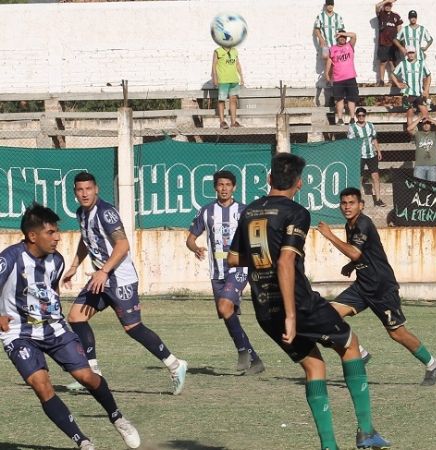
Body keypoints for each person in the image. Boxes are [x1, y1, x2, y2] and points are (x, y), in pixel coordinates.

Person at [227, 154, 391, 450]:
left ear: (269, 179)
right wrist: (292, 313)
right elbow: (286, 262)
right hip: (299, 305)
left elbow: (233, 257)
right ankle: (366, 432)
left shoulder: (249, 211)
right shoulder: (296, 212)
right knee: (350, 345)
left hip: (265, 309)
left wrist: (263, 256)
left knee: (314, 367)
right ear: (299, 183)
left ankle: (329, 446)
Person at [1, 204, 140, 450]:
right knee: (41, 385)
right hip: (18, 333)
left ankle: (117, 417)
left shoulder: (57, 261)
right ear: (33, 236)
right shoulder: (9, 259)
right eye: (51, 232)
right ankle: (83, 442)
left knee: (86, 377)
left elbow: (50, 289)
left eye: (57, 232)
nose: (57, 237)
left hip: (54, 329)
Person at [63, 172, 188, 395]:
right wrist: (73, 266)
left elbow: (122, 245)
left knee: (133, 328)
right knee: (76, 317)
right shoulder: (81, 213)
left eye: (88, 189)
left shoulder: (106, 212)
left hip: (120, 280)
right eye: (80, 190)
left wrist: (103, 271)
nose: (84, 193)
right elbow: (86, 239)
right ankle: (93, 373)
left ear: (96, 189)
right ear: (75, 192)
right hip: (102, 279)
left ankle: (175, 364)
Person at [318, 187, 436, 385]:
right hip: (363, 286)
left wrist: (329, 235)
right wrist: (352, 266)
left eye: (351, 203)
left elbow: (355, 253)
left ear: (361, 205)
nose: (347, 207)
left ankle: (432, 363)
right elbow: (363, 253)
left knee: (397, 333)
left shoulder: (363, 224)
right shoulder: (350, 225)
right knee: (327, 314)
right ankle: (360, 353)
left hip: (382, 288)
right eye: (344, 203)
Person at [185, 170, 264, 374]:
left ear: (234, 187)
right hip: (216, 271)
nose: (224, 188)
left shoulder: (244, 211)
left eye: (228, 185)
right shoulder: (206, 212)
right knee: (226, 312)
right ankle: (255, 360)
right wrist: (196, 249)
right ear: (215, 187)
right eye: (220, 185)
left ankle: (241, 352)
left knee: (225, 306)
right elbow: (190, 239)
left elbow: (257, 238)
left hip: (239, 267)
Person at [347, 107, 386, 207]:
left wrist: (379, 151)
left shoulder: (370, 125)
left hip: (371, 154)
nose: (361, 117)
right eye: (359, 115)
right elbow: (350, 143)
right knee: (359, 178)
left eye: (363, 115)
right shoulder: (352, 127)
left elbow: (374, 139)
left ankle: (378, 199)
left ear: (365, 116)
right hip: (359, 156)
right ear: (356, 116)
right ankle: (357, 200)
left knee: (375, 177)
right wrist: (352, 156)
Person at [391, 46, 431, 126]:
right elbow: (393, 74)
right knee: (410, 115)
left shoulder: (421, 63)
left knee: (426, 115)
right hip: (408, 93)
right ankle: (412, 134)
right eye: (409, 53)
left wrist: (426, 90)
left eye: (412, 52)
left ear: (415, 53)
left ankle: (426, 134)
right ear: (407, 54)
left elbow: (428, 76)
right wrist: (398, 84)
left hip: (419, 93)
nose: (411, 55)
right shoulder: (403, 64)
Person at [325, 30, 359, 125]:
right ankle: (340, 119)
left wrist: (342, 34)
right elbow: (329, 61)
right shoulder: (332, 49)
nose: (342, 38)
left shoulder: (349, 46)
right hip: (338, 79)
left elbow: (354, 35)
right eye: (340, 37)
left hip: (350, 77)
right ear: (337, 38)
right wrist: (327, 74)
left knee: (351, 98)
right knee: (339, 99)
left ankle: (352, 118)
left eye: (344, 37)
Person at [211, 43, 244, 129]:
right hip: (223, 80)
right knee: (222, 100)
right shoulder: (218, 51)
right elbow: (214, 66)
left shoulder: (234, 51)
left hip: (234, 80)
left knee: (233, 100)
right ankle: (222, 122)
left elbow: (237, 64)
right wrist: (214, 78)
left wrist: (241, 77)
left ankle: (233, 122)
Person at [407, 116, 436, 181]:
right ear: (421, 125)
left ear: (430, 125)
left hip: (432, 165)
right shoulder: (417, 134)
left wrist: (431, 119)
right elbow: (409, 129)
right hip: (419, 165)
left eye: (428, 123)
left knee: (431, 186)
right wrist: (419, 119)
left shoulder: (434, 134)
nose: (426, 125)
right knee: (419, 185)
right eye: (424, 124)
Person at [375, 0, 403, 86]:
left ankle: (393, 80)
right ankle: (381, 80)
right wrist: (387, 0)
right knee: (383, 62)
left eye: (389, 5)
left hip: (393, 43)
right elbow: (377, 6)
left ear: (391, 6)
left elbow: (399, 27)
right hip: (383, 42)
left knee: (392, 62)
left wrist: (397, 39)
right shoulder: (381, 14)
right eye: (386, 5)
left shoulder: (396, 16)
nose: (387, 7)